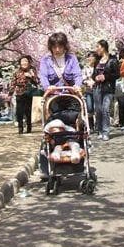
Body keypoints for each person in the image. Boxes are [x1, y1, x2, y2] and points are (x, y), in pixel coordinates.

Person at [38, 32, 83, 180]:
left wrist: (77, 86)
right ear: (51, 47)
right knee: (54, 124)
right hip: (54, 97)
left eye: (60, 46)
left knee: (75, 120)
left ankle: (76, 151)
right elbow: (43, 76)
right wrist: (47, 87)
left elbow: (77, 74)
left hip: (70, 95)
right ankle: (51, 157)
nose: (57, 49)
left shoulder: (72, 58)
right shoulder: (46, 60)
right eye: (54, 46)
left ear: (65, 46)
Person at [92, 40, 119, 141]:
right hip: (97, 88)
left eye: (97, 46)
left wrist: (105, 76)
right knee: (98, 110)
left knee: (105, 110)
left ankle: (106, 131)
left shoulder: (113, 60)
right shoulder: (97, 60)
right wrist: (95, 77)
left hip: (108, 88)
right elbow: (94, 74)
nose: (96, 49)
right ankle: (99, 130)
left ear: (103, 47)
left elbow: (117, 74)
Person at [10, 55, 40, 134]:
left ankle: (29, 128)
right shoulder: (17, 72)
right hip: (19, 93)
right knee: (19, 111)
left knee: (28, 111)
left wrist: (32, 76)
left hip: (29, 93)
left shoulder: (32, 71)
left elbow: (37, 81)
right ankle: (20, 128)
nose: (24, 63)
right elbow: (13, 83)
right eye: (22, 61)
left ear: (29, 62)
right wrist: (10, 93)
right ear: (20, 63)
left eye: (26, 61)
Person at [81, 51, 97, 130]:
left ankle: (98, 124)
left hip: (97, 89)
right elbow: (82, 78)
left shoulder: (97, 67)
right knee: (90, 107)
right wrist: (87, 82)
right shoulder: (85, 68)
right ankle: (91, 124)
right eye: (89, 57)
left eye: (92, 57)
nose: (90, 58)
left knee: (97, 108)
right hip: (88, 90)